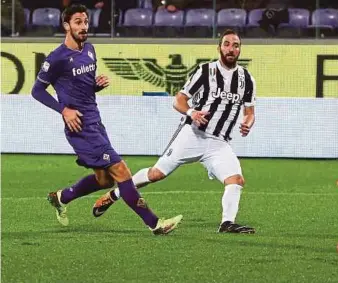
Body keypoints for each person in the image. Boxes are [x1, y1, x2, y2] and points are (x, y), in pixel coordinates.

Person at [31, 4, 182, 235]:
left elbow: (81, 89)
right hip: (80, 126)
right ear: (66, 26)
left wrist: (95, 86)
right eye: (78, 22)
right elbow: (37, 91)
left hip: (95, 121)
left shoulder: (90, 50)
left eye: (86, 21)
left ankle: (61, 197)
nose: (83, 26)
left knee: (104, 180)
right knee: (122, 171)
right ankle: (155, 224)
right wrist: (64, 110)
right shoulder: (57, 58)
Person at [92, 29, 257, 234]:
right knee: (156, 174)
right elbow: (179, 100)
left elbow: (249, 112)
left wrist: (248, 122)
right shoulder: (205, 71)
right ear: (219, 48)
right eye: (227, 44)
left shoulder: (246, 79)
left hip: (219, 143)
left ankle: (227, 224)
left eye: (236, 45)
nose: (231, 49)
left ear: (240, 49)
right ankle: (115, 194)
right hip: (193, 135)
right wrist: (192, 112)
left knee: (236, 180)